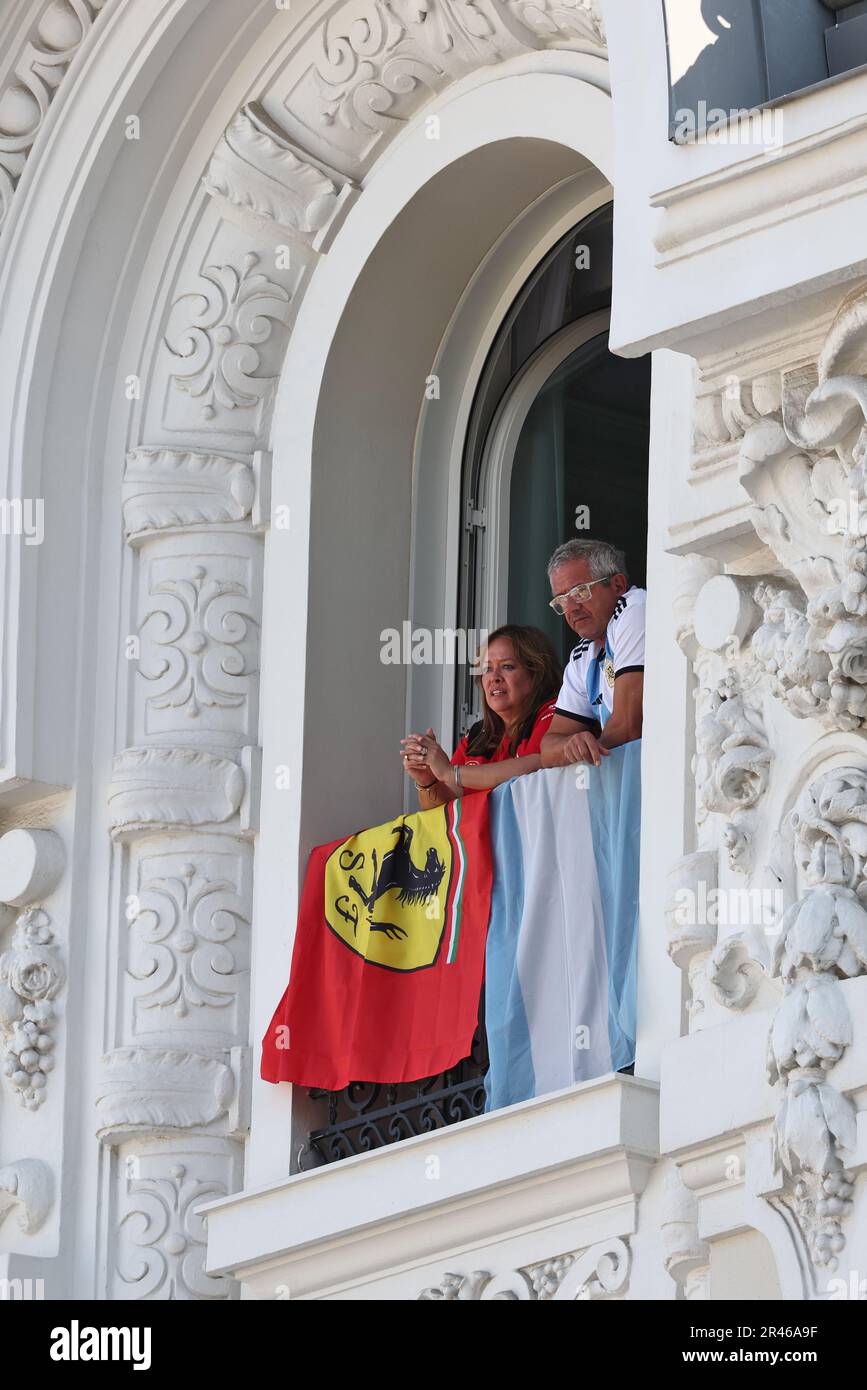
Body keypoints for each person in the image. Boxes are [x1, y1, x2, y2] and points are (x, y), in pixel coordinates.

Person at [401, 625, 562, 805]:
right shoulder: (478, 734)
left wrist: (450, 772)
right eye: (487, 669)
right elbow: (447, 809)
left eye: (507, 666)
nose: (494, 677)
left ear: (536, 674)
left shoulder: (555, 713)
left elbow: (537, 765)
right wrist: (428, 780)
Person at [541, 538, 645, 768]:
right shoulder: (582, 654)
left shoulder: (634, 608)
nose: (571, 608)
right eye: (561, 600)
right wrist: (571, 747)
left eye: (580, 592)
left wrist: (589, 753)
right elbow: (548, 749)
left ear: (617, 585)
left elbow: (629, 726)